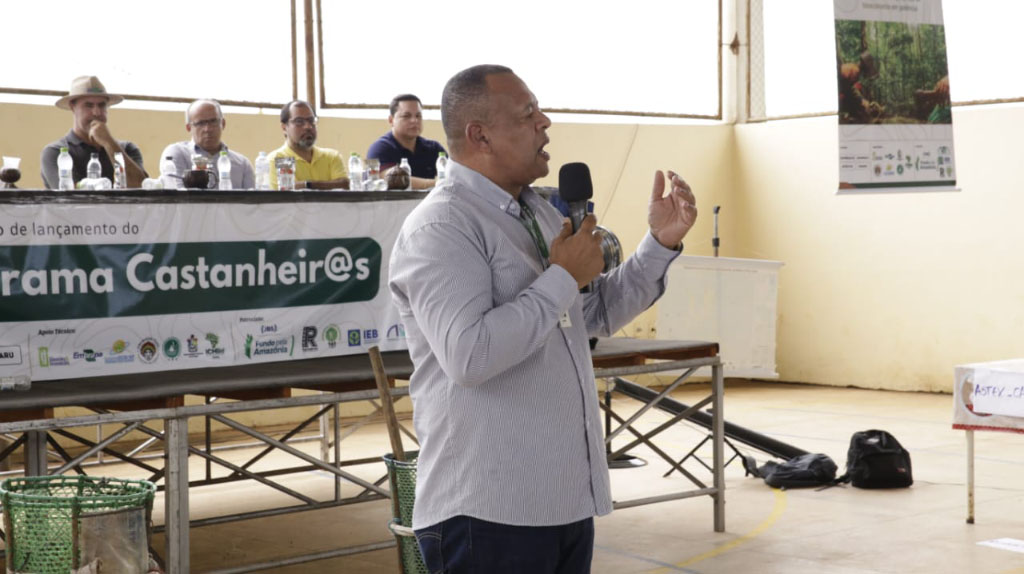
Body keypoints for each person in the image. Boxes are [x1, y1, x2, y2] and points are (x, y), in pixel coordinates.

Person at [388, 64, 698, 574]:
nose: (546, 122)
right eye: (528, 113)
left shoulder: (539, 212)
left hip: (561, 500)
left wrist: (658, 245)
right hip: (487, 510)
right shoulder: (442, 225)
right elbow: (470, 355)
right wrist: (559, 277)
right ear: (480, 134)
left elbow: (590, 312)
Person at [41, 76, 147, 189]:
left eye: (102, 105)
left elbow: (141, 188)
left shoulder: (127, 149)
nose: (96, 112)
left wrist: (109, 143)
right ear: (73, 107)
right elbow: (70, 197)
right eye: (89, 105)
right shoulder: (56, 152)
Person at [160, 99, 255, 189]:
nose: (208, 129)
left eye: (213, 121)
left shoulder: (242, 164)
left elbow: (253, 202)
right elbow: (176, 197)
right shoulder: (177, 154)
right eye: (200, 123)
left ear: (223, 123)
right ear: (189, 128)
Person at [366, 94, 447, 190]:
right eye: (406, 116)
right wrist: (437, 183)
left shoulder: (434, 148)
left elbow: (455, 176)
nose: (414, 120)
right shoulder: (378, 148)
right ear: (391, 120)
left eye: (418, 116)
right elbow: (386, 178)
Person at [267, 100, 347, 190]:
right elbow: (287, 194)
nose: (308, 126)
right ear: (284, 128)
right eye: (299, 121)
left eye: (311, 120)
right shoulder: (278, 158)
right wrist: (327, 185)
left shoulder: (332, 157)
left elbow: (344, 185)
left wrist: (307, 185)